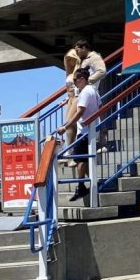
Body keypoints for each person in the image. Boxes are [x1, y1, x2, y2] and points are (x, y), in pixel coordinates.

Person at [57, 68, 101, 201]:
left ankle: (81, 186)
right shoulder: (94, 90)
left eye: (75, 80)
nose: (74, 83)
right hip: (92, 129)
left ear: (82, 79)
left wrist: (66, 127)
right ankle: (94, 182)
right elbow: (100, 108)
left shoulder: (85, 92)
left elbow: (80, 112)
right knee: (84, 159)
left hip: (85, 130)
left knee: (80, 160)